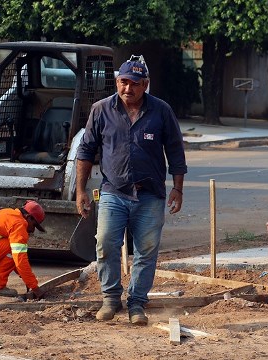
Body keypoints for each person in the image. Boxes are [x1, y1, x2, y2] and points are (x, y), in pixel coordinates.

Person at [75, 57, 187, 326]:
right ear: (117, 82)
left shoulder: (161, 111)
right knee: (105, 243)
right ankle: (111, 298)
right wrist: (80, 191)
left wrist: (178, 189)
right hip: (113, 192)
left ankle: (137, 303)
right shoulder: (101, 110)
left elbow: (175, 151)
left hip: (150, 194)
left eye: (135, 84)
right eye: (124, 82)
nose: (128, 88)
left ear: (145, 85)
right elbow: (86, 151)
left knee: (146, 251)